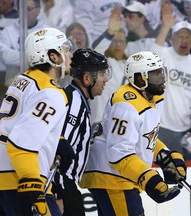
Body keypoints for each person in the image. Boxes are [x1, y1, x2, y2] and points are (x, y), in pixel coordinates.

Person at [79, 51, 187, 215]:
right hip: (110, 176)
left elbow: (144, 136)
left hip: (120, 176)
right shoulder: (126, 104)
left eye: (161, 71)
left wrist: (166, 157)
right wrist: (149, 178)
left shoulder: (154, 97)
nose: (162, 78)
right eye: (155, 74)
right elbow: (118, 152)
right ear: (139, 79)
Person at [0, 27, 73, 215]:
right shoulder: (51, 92)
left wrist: (58, 140)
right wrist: (31, 185)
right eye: (64, 49)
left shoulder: (23, 80)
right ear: (53, 57)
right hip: (18, 180)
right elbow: (21, 143)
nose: (69, 55)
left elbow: (22, 122)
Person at [52, 48, 109, 216]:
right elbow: (57, 151)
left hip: (65, 184)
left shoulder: (77, 99)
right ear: (86, 78)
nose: (105, 79)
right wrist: (58, 193)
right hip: (64, 186)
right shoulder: (74, 104)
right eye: (102, 74)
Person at [152, 4, 191, 160]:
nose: (184, 40)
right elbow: (152, 53)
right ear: (172, 38)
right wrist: (165, 26)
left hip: (183, 131)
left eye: (188, 36)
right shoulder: (163, 54)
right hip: (159, 127)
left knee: (178, 175)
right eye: (180, 36)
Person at [0, 0, 48, 87]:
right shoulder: (7, 31)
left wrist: (16, 55)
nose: (24, 13)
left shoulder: (47, 32)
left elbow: (47, 58)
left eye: (28, 9)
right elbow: (5, 56)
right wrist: (36, 57)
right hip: (14, 85)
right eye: (21, 9)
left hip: (41, 84)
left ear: (38, 10)